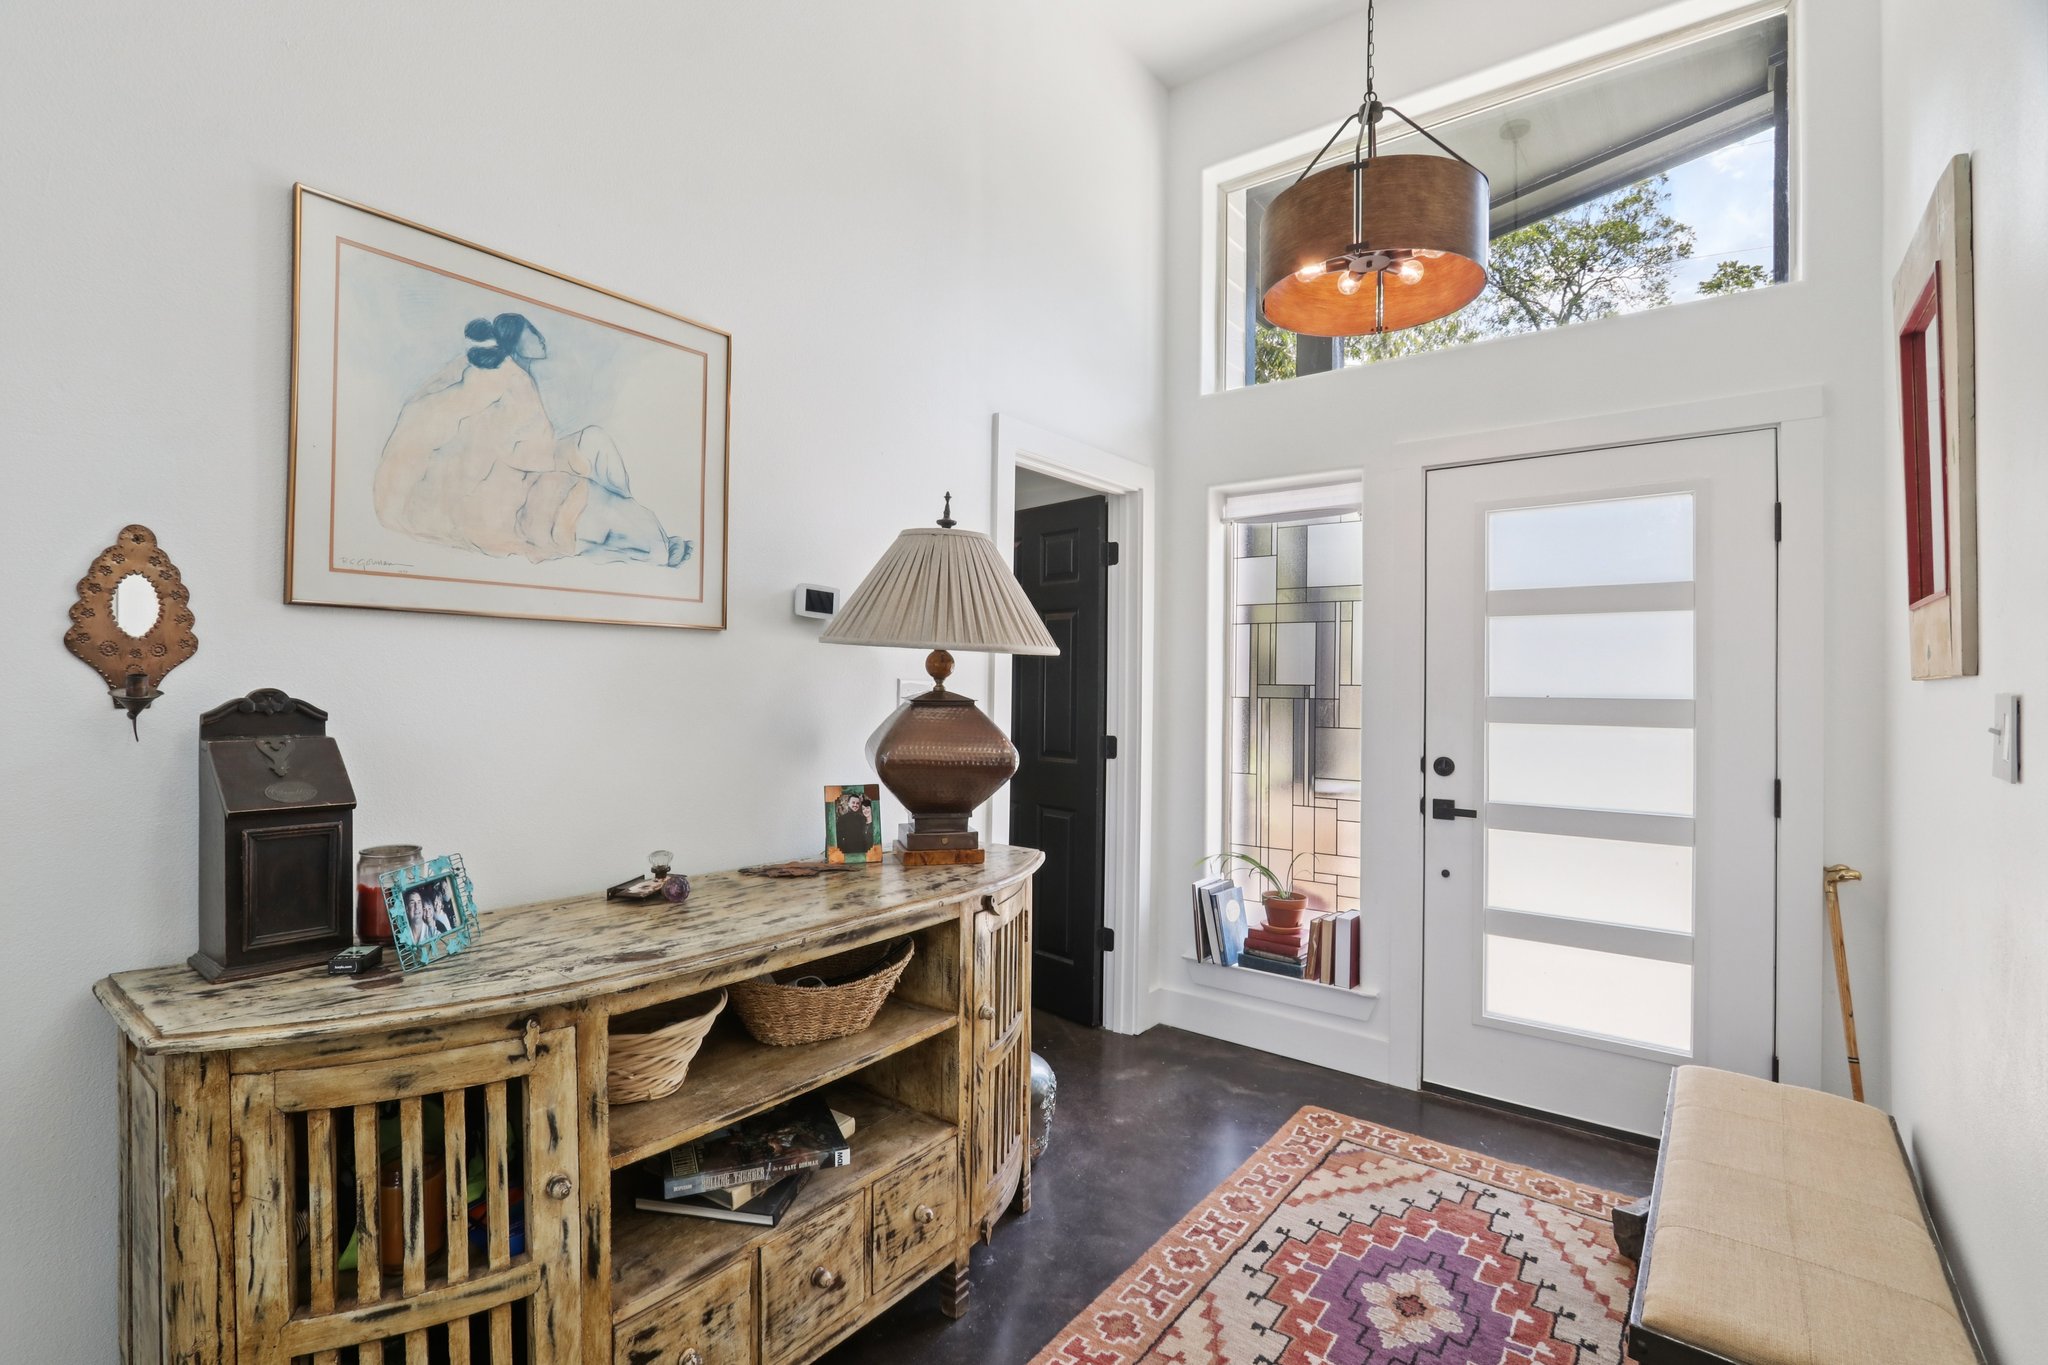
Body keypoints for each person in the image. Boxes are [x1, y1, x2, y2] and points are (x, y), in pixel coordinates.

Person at [373, 313, 692, 569]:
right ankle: (651, 544)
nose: (541, 338)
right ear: (516, 342)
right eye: (533, 334)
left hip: (537, 457)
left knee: (595, 441)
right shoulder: (495, 375)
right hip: (513, 477)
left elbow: (530, 440)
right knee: (599, 511)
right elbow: (443, 418)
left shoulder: (517, 374)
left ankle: (642, 533)